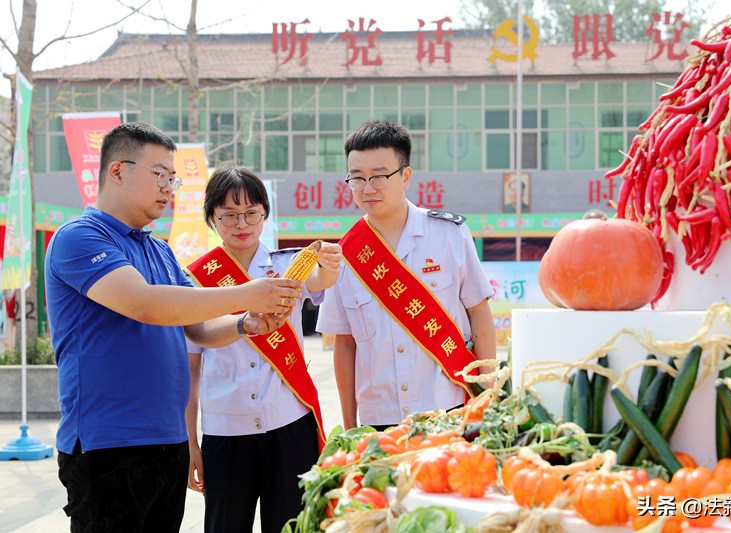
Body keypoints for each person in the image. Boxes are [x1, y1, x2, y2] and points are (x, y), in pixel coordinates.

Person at [44, 122, 302, 533]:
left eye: (173, 178)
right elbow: (145, 305)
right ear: (117, 171)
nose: (169, 187)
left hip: (167, 443)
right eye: (159, 174)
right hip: (108, 445)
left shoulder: (159, 249)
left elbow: (197, 328)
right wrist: (247, 294)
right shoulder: (80, 238)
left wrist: (245, 324)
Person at [184, 163, 341, 533]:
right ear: (211, 218)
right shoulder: (194, 281)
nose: (242, 224)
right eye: (229, 215)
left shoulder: (287, 267)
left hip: (290, 424)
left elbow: (320, 279)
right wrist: (191, 442)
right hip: (226, 431)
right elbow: (190, 370)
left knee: (291, 526)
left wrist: (331, 267)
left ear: (265, 215)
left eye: (251, 213)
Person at [316, 119, 496, 431]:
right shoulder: (344, 256)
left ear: (406, 176)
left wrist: (488, 397)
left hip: (449, 407)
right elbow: (344, 345)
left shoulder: (449, 235)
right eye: (357, 178)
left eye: (380, 176)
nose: (368, 188)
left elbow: (479, 312)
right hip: (380, 420)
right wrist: (348, 426)